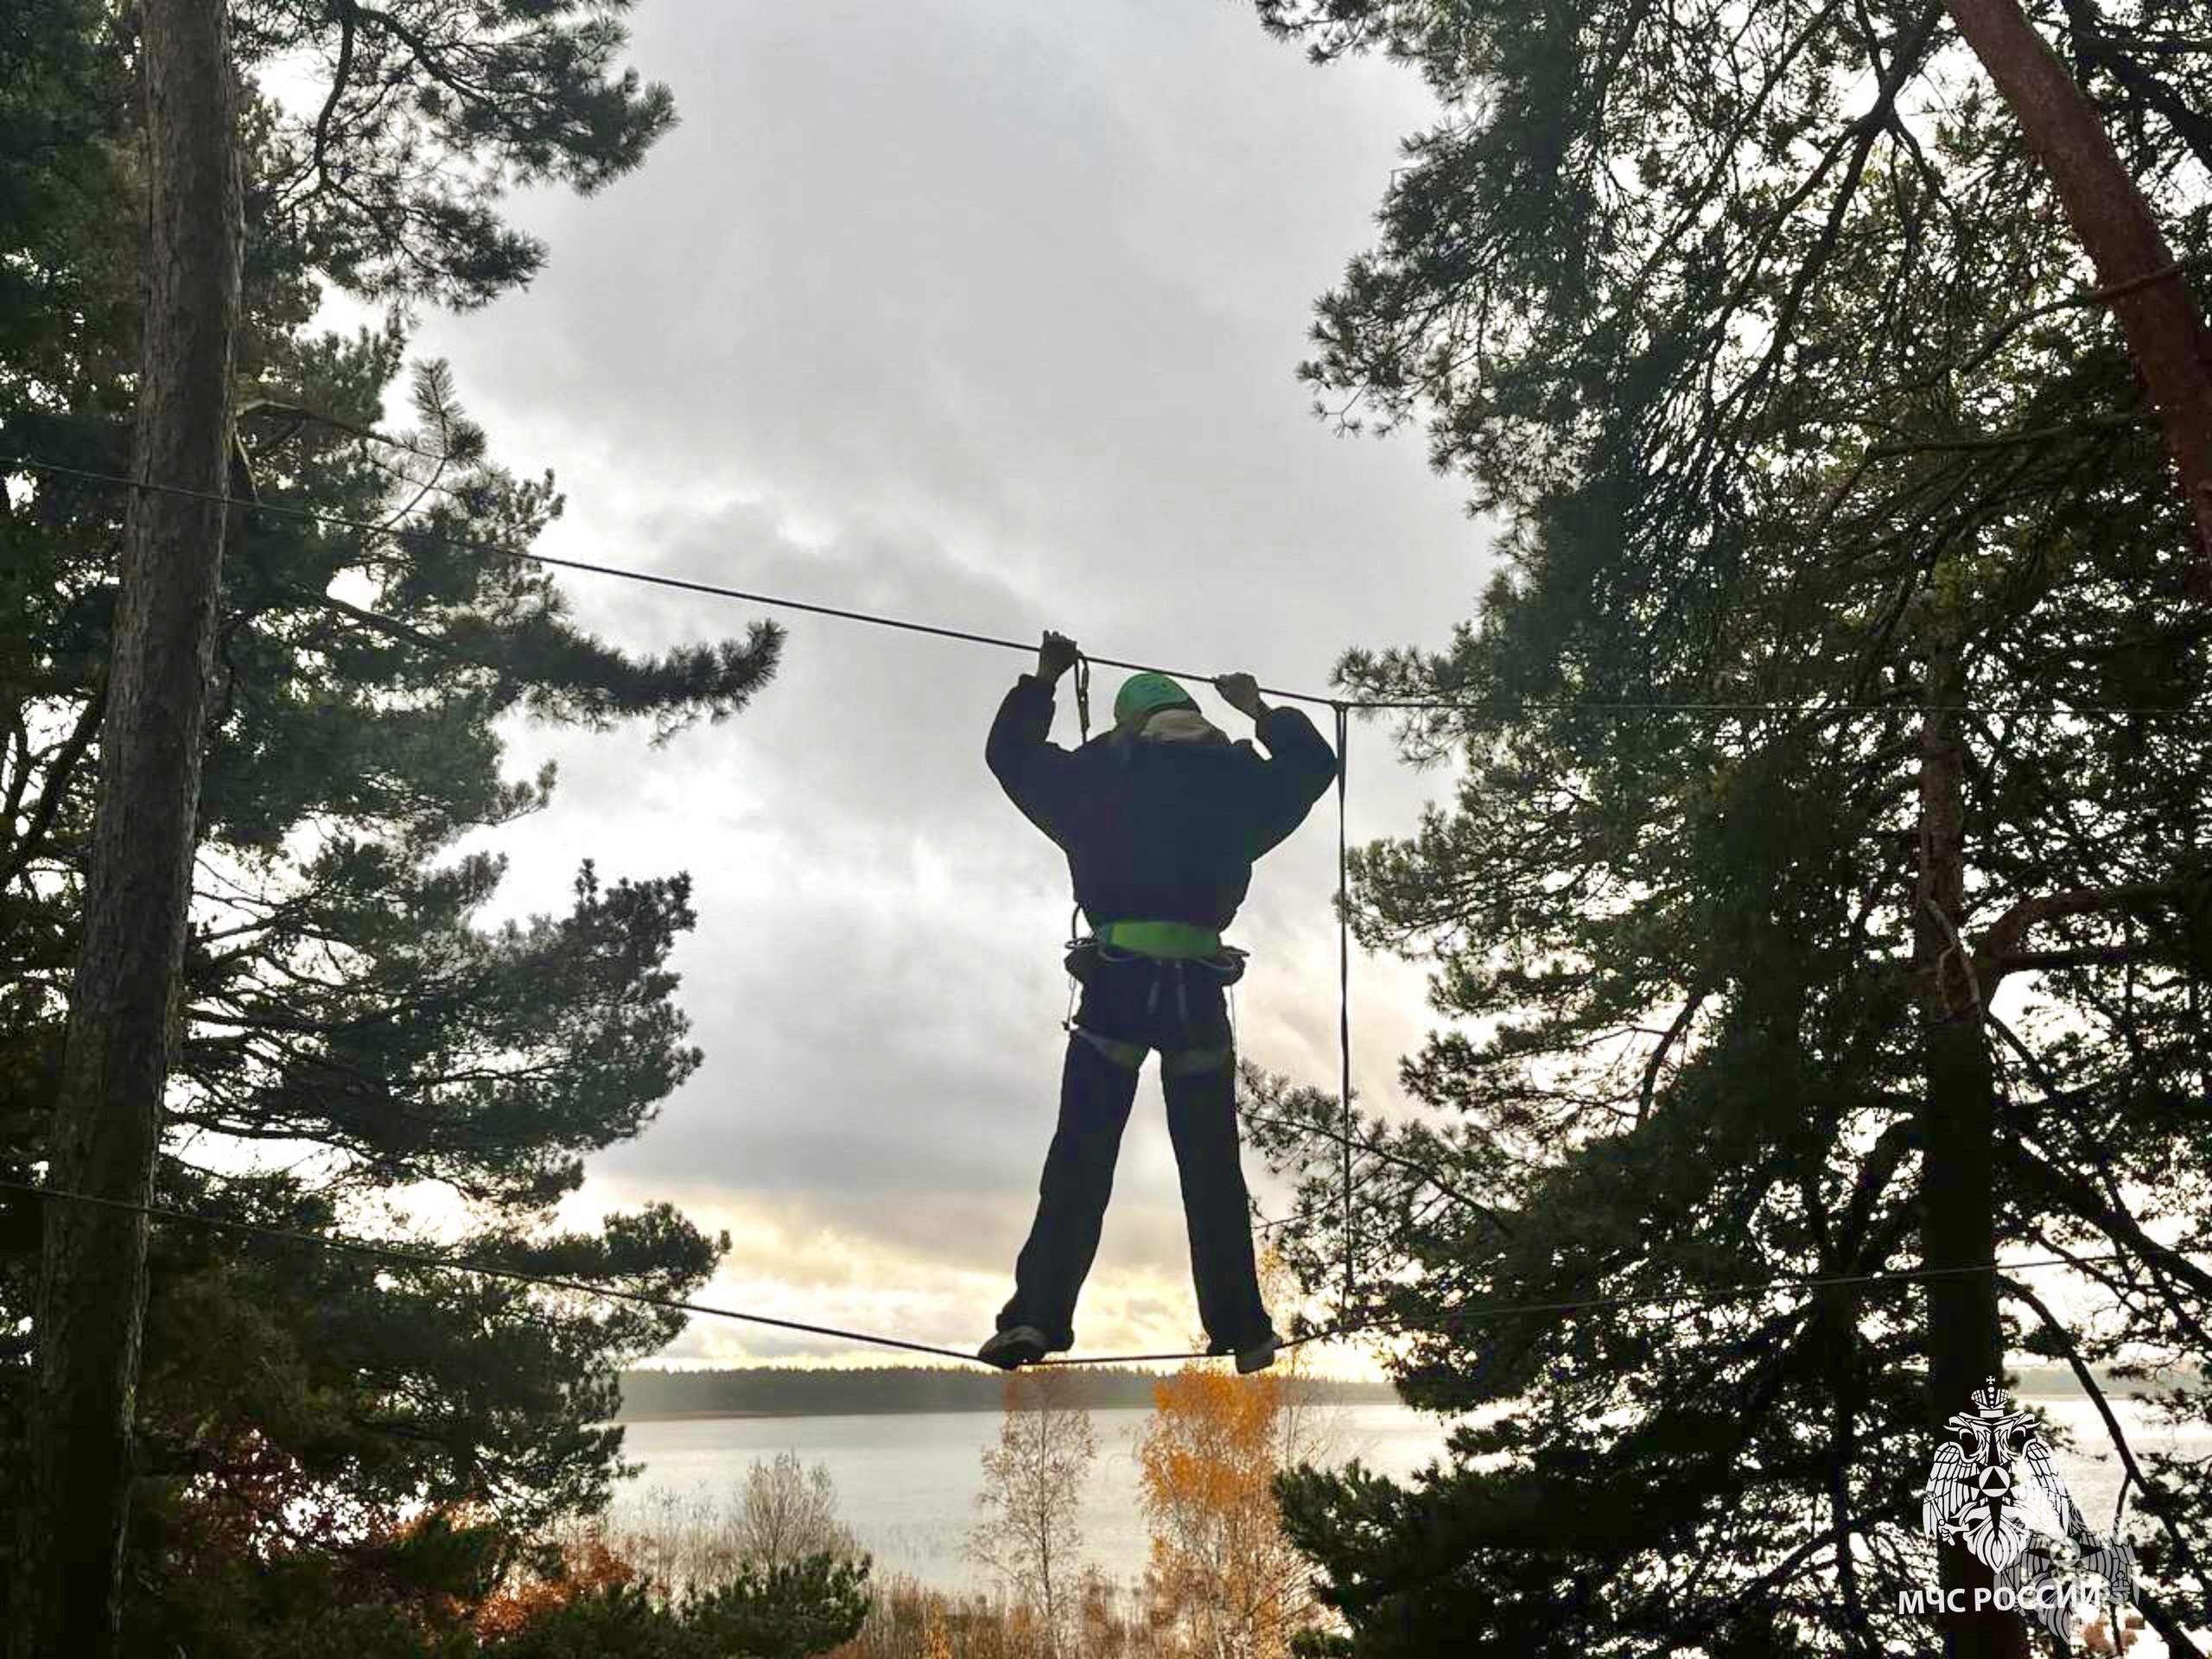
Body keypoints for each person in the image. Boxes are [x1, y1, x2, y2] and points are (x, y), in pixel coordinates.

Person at [979, 628, 1338, 1373]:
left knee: (1079, 1159)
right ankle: (1243, 1327)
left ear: (1129, 723)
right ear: (1191, 714)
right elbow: (1314, 766)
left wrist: (1043, 682)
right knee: (1211, 1166)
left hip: (1116, 984)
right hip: (1196, 990)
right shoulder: (1240, 783)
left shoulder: (1097, 778)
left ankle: (1037, 1318)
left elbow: (1008, 758)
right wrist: (1258, 708)